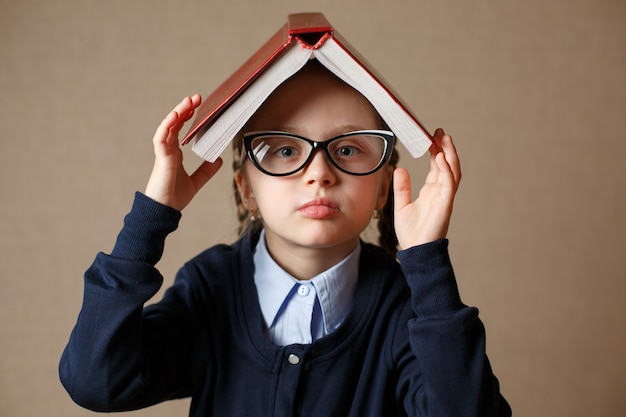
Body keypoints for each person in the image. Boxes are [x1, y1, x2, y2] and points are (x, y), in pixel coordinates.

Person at [59, 61, 511, 416]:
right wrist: (150, 220)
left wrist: (426, 262)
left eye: (349, 148)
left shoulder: (404, 305)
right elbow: (95, 380)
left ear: (381, 188)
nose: (319, 173)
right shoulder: (210, 287)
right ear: (247, 190)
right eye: (285, 149)